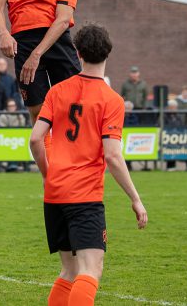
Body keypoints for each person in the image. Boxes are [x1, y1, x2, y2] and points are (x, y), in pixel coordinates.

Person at [29, 24, 147, 306]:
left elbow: (35, 139)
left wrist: (47, 174)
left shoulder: (58, 91)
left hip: (55, 193)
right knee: (91, 269)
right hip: (84, 195)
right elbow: (113, 156)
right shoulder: (112, 100)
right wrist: (135, 199)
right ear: (108, 53)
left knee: (69, 271)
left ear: (78, 53)